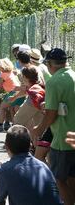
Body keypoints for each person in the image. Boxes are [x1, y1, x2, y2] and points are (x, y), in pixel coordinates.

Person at [33, 48, 75, 205]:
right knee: (72, 178)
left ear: (50, 64)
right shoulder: (73, 76)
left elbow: (51, 113)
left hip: (62, 140)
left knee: (58, 178)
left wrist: (39, 128)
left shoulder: (54, 82)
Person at [0, 125, 62, 205]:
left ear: (6, 147)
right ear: (30, 146)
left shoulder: (4, 169)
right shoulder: (43, 166)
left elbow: (0, 196)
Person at [0, 58, 23, 131]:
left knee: (2, 107)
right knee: (11, 109)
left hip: (12, 93)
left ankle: (0, 125)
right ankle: (9, 124)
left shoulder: (3, 74)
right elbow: (1, 85)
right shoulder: (11, 72)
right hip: (20, 92)